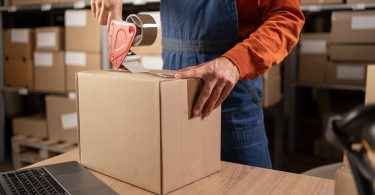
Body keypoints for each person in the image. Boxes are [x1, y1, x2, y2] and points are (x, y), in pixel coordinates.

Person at [91, 0, 305, 169]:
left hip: (231, 95)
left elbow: (287, 18)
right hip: (174, 89)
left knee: (249, 183)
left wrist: (234, 63)